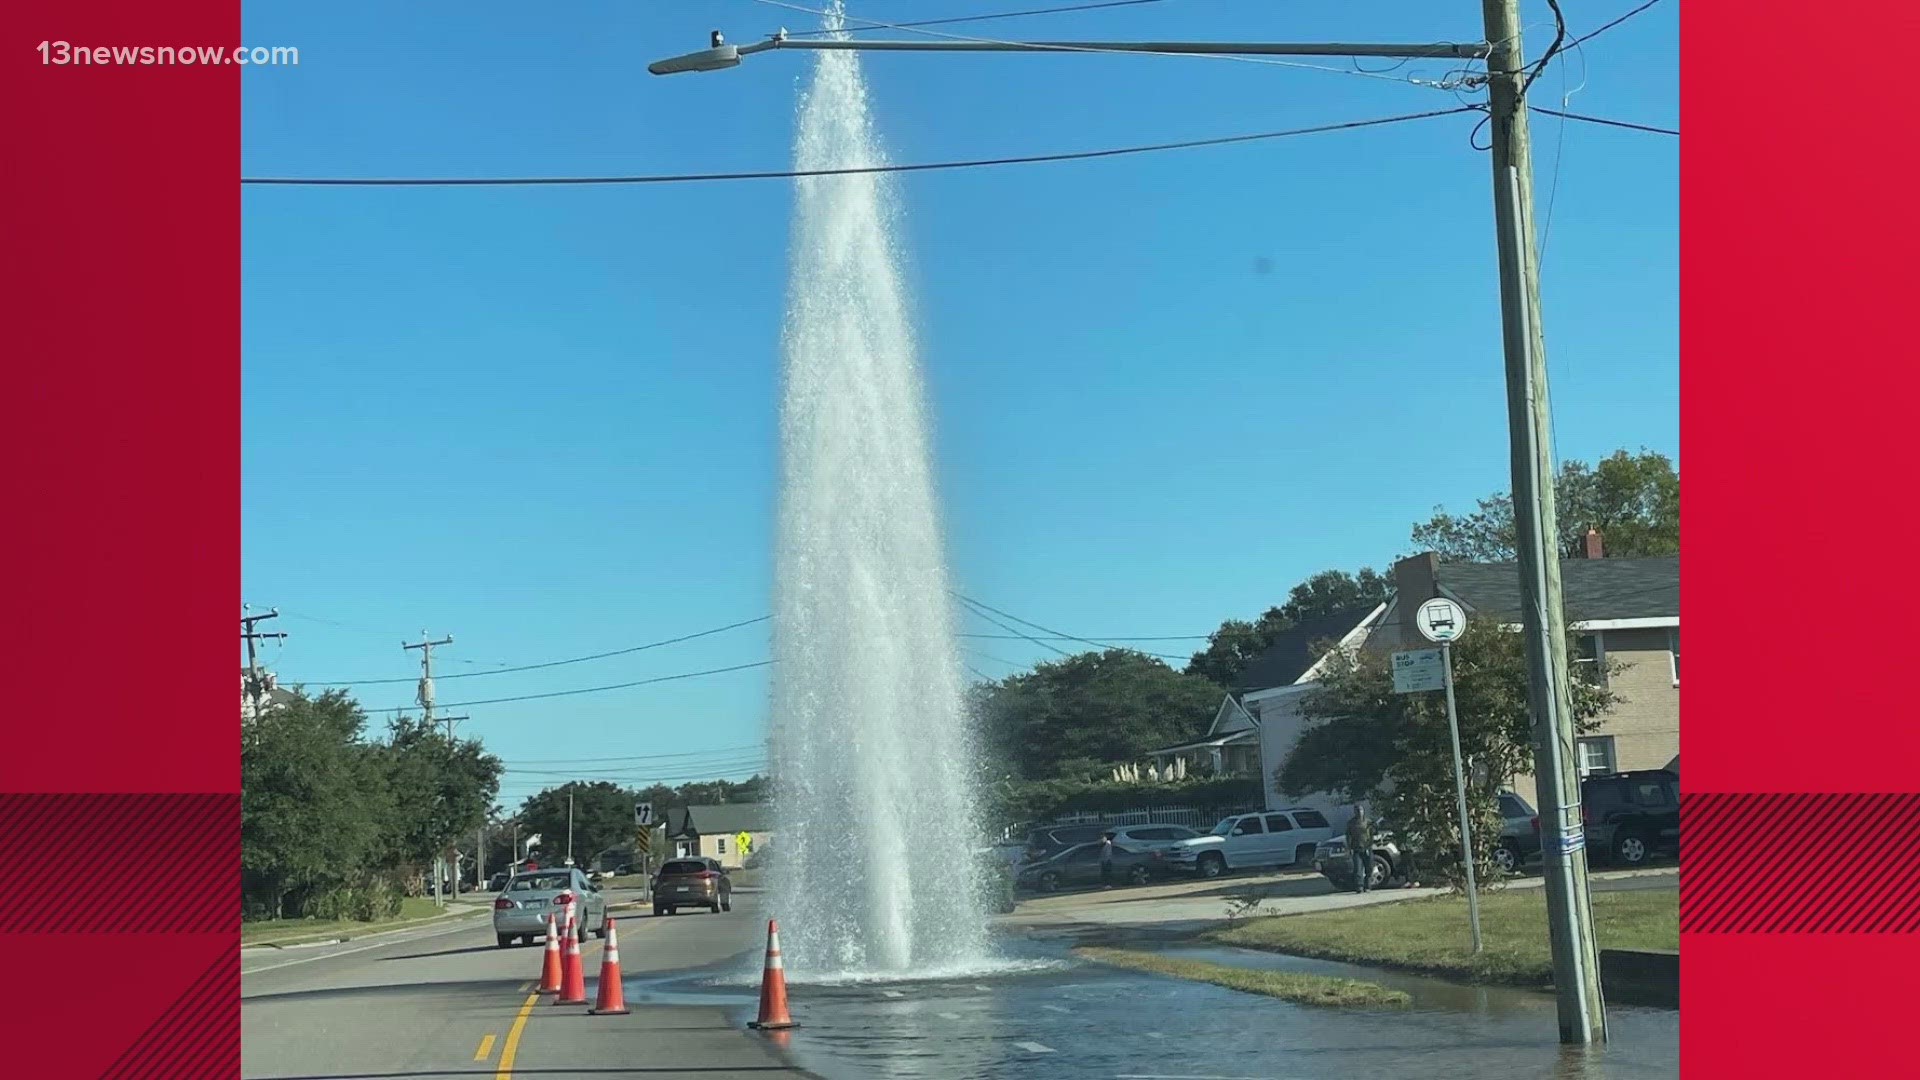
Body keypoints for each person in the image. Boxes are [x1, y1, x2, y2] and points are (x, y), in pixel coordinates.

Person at [1345, 805, 1374, 894]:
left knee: (1369, 868)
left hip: (1367, 848)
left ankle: (1367, 886)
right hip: (1356, 849)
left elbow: (1372, 835)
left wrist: (1370, 845)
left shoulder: (1368, 822)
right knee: (1358, 869)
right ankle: (1359, 887)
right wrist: (1349, 848)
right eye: (1357, 810)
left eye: (1361, 810)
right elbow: (1348, 836)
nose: (1359, 812)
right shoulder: (1351, 823)